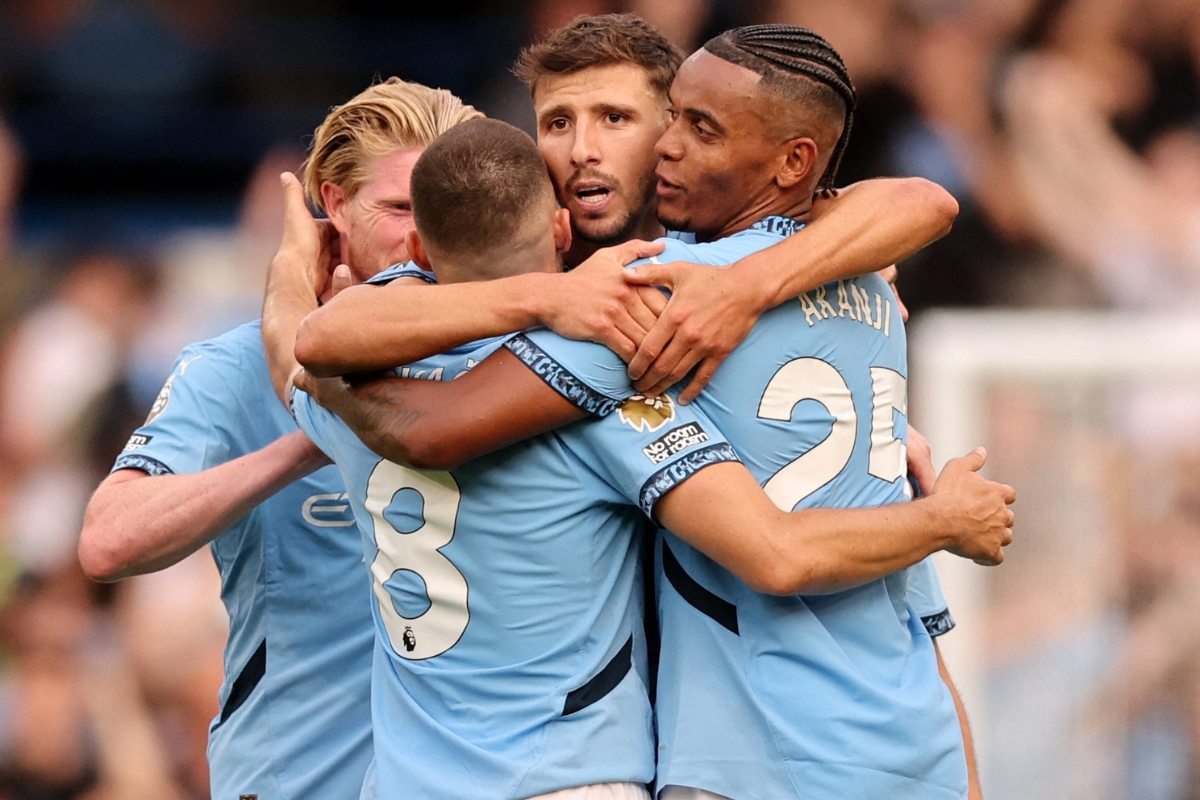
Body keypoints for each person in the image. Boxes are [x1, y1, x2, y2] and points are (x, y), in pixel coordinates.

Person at [288, 24, 1003, 800]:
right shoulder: (835, 280)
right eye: (558, 123)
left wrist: (743, 288)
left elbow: (396, 405)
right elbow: (920, 202)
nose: (584, 149)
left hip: (732, 759)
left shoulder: (652, 299)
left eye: (618, 119)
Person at [76, 78, 484, 800]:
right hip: (292, 777)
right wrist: (314, 435)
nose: (421, 236)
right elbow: (109, 540)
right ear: (333, 205)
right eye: (396, 208)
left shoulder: (503, 363)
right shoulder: (231, 368)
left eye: (441, 208)